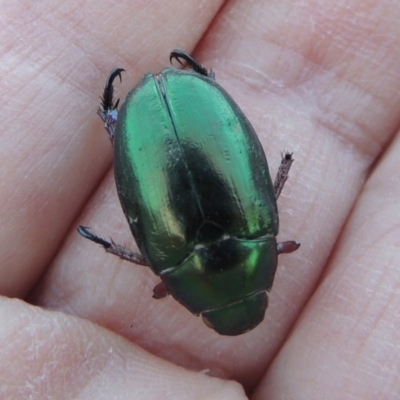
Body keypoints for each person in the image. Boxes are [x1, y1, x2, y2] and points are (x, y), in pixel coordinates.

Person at [1, 1, 400, 398]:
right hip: (183, 112)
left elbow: (268, 188)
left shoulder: (261, 227)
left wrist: (280, 174)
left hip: (185, 111)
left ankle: (152, 102)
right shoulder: (164, 261)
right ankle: (126, 112)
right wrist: (114, 248)